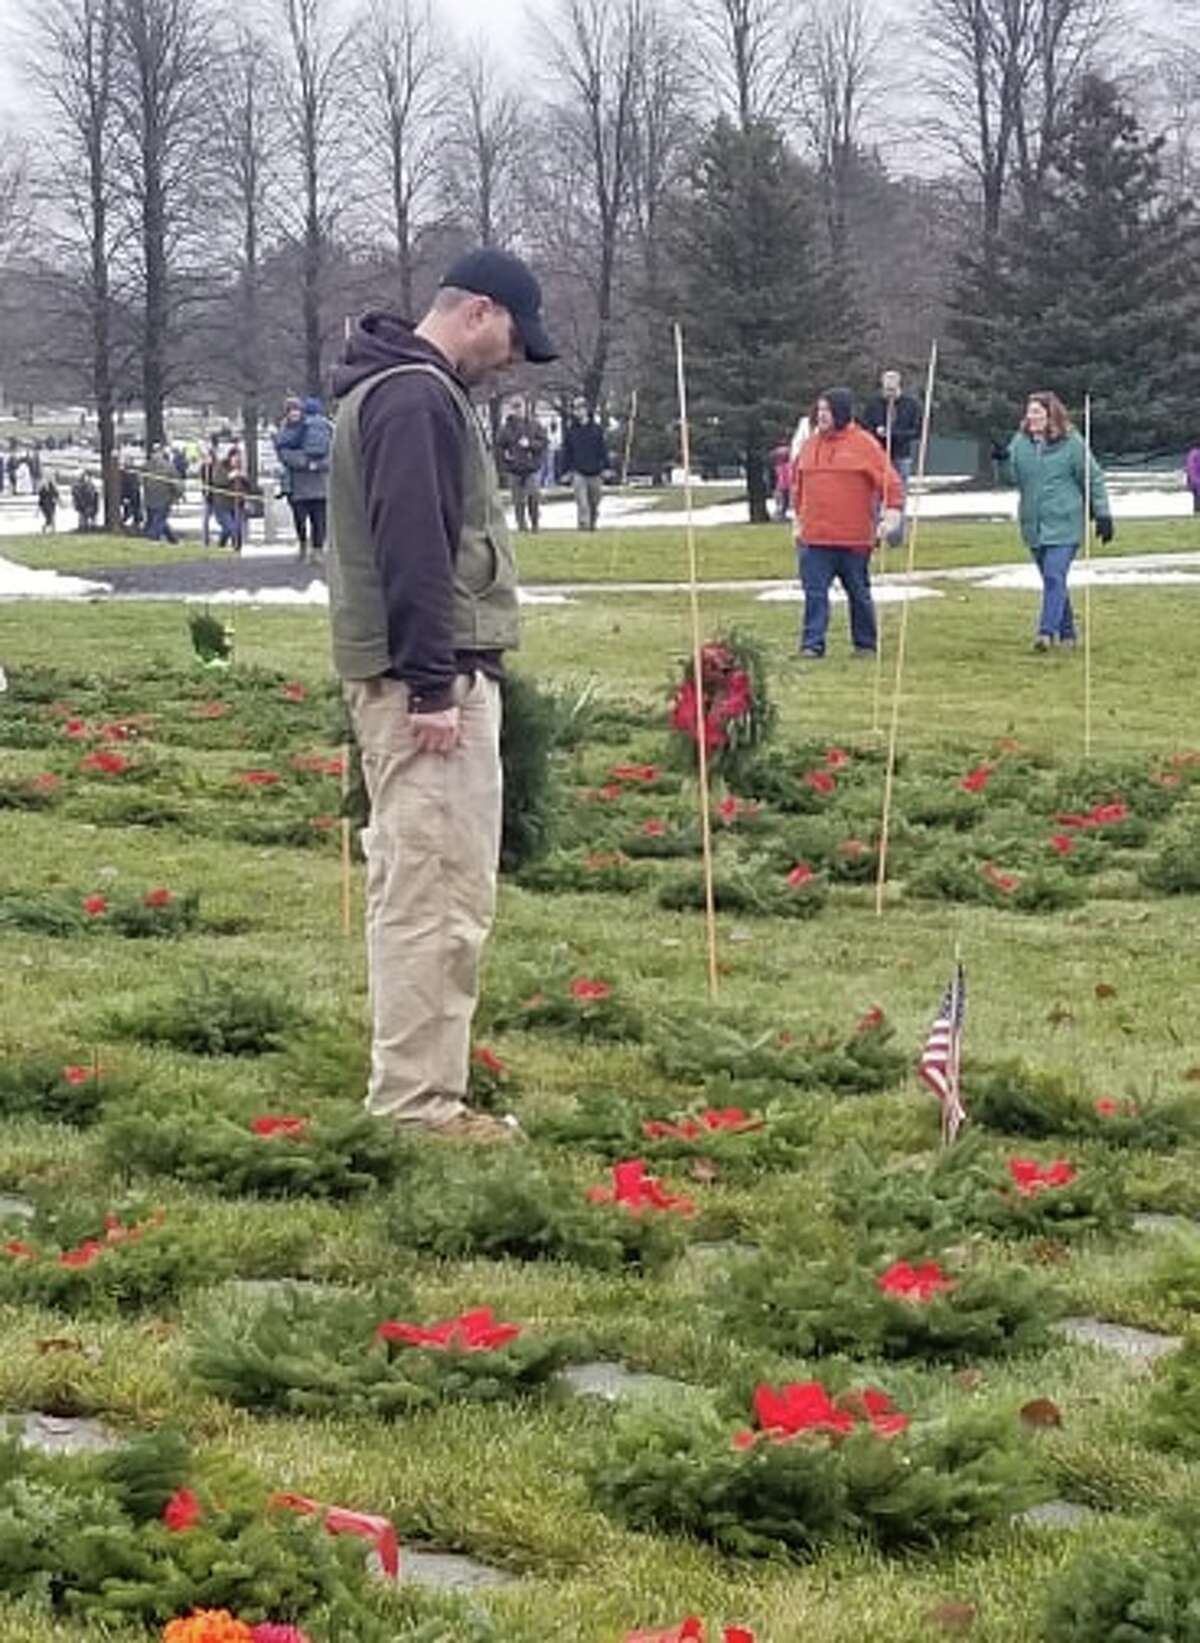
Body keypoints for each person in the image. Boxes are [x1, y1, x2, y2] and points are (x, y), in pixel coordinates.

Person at [328, 245, 557, 1141]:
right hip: (429, 682)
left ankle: (421, 1079)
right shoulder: (415, 399)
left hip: (427, 673)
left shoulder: (398, 389)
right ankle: (419, 1107)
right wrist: (432, 687)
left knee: (426, 883)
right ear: (479, 312)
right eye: (512, 338)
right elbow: (414, 552)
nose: (510, 358)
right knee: (435, 891)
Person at [992, 391, 1113, 652]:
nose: (1031, 416)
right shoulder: (1020, 442)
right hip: (1033, 525)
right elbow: (1011, 479)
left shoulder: (1072, 443)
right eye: (1029, 411)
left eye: (1037, 411)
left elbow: (1093, 477)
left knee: (1054, 575)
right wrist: (1002, 461)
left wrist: (1103, 513)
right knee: (1052, 581)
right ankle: (1068, 634)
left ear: (1051, 414)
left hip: (1065, 522)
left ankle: (1045, 633)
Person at [792, 387, 903, 660]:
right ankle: (812, 644)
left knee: (858, 592)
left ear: (841, 412)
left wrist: (891, 514)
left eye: (827, 410)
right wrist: (797, 519)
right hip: (815, 537)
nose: (821, 416)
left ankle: (865, 644)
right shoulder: (809, 446)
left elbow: (890, 482)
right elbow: (798, 486)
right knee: (814, 594)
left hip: (854, 538)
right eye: (819, 410)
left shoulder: (864, 444)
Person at [861, 368, 922, 541]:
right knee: (874, 496)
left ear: (898, 386)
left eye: (892, 390)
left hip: (901, 456)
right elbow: (865, 428)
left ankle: (895, 536)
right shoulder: (874, 404)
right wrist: (877, 432)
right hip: (877, 456)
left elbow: (916, 432)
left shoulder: (911, 405)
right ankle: (874, 535)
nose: (889, 394)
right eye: (886, 390)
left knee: (898, 495)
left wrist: (893, 434)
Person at [274, 395, 332, 560]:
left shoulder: (290, 432)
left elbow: (284, 454)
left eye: (296, 410)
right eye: (291, 410)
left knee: (314, 519)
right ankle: (310, 548)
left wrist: (307, 464)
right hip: (310, 482)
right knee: (308, 519)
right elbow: (333, 453)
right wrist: (313, 464)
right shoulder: (325, 428)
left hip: (302, 483)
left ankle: (313, 549)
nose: (294, 414)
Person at [496, 402, 548, 532]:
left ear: (525, 409)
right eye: (515, 408)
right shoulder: (506, 428)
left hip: (531, 468)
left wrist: (530, 444)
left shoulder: (534, 425)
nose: (518, 411)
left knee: (533, 496)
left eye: (520, 407)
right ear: (511, 410)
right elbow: (498, 447)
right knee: (518, 501)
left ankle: (535, 524)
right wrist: (505, 458)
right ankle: (521, 526)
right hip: (514, 469)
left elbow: (543, 443)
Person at [561, 400, 609, 530]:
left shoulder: (597, 429)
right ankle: (583, 526)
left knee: (594, 502)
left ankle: (592, 524)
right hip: (578, 472)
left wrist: (606, 467)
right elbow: (567, 452)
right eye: (576, 409)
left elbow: (603, 450)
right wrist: (565, 471)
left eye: (581, 408)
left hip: (595, 472)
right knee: (582, 503)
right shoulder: (571, 431)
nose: (578, 411)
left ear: (586, 410)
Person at [143, 443, 180, 543]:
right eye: (155, 452)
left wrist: (177, 495)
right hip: (152, 498)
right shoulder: (148, 466)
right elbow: (143, 480)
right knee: (159, 520)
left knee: (158, 520)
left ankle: (153, 539)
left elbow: (175, 483)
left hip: (164, 499)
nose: (156, 455)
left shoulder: (167, 467)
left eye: (157, 452)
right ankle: (172, 540)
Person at [771, 441, 792, 521]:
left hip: (783, 486)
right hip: (782, 487)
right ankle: (778, 515)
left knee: (784, 502)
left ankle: (780, 515)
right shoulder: (781, 467)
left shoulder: (782, 466)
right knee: (783, 502)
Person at [1187, 442, 1200, 515]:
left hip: (1193, 480)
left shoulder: (1192, 454)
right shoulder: (1196, 454)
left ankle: (1196, 513)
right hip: (1196, 480)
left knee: (1196, 499)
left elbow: (1190, 469)